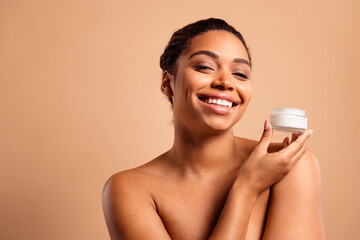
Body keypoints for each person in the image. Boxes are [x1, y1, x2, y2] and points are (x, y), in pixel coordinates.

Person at [102, 18, 325, 240]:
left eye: (240, 74)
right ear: (167, 82)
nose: (225, 82)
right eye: (205, 67)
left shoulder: (288, 164)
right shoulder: (128, 190)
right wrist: (246, 188)